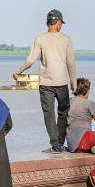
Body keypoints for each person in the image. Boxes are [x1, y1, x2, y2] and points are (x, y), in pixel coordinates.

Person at [13, 9, 77, 154]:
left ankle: (55, 146)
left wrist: (18, 72)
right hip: (62, 82)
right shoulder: (66, 39)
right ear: (58, 23)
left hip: (46, 84)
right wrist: (74, 84)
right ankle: (60, 143)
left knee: (49, 115)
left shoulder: (40, 38)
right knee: (63, 113)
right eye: (61, 23)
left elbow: (30, 61)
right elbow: (71, 63)